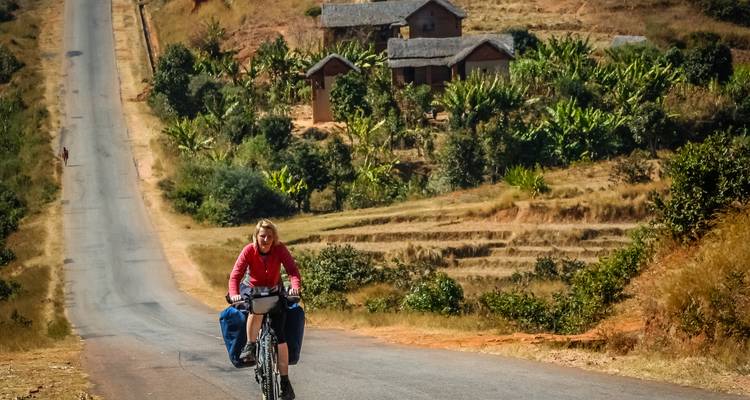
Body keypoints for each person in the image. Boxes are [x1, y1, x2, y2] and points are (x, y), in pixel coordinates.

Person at [228, 219, 301, 400]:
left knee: (280, 335)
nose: (266, 240)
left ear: (274, 237)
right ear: (256, 236)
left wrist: (294, 287)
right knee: (257, 308)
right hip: (252, 289)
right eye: (262, 236)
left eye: (270, 236)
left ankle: (285, 382)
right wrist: (234, 294)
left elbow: (292, 271)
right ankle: (250, 346)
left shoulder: (280, 249)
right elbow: (235, 276)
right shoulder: (249, 250)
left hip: (274, 290)